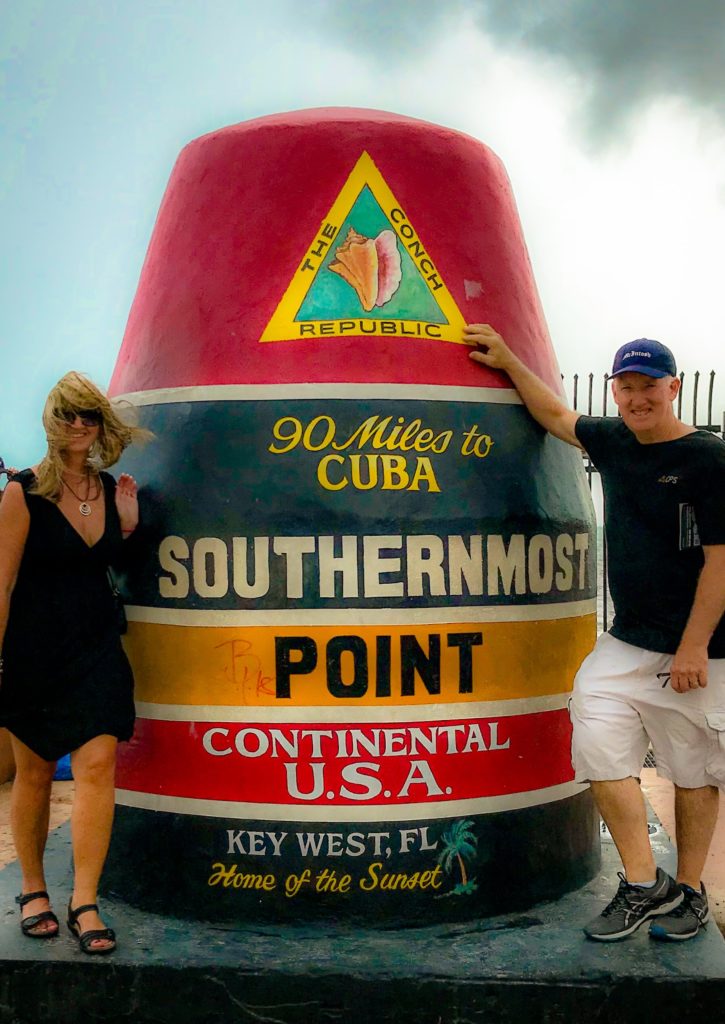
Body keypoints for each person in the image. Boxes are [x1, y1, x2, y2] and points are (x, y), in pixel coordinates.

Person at [465, 324, 725, 942]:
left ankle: (689, 893)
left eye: (649, 387)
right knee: (596, 731)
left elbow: (722, 560)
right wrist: (508, 360)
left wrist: (693, 646)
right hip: (630, 639)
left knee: (694, 772)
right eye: (625, 387)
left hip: (703, 646)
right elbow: (555, 413)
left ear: (674, 388)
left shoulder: (708, 458)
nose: (637, 398)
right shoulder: (612, 441)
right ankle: (644, 884)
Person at [0, 372, 148, 955]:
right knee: (34, 772)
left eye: (89, 415)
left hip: (96, 646)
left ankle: (84, 899)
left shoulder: (111, 489)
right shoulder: (24, 492)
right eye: (69, 415)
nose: (79, 425)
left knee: (97, 766)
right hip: (34, 650)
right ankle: (33, 888)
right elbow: (3, 583)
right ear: (51, 421)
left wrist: (129, 524)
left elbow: (109, 563)